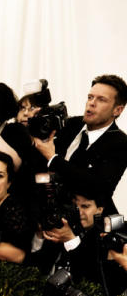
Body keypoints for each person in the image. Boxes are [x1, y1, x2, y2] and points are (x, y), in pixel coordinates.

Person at [32, 74, 127, 207]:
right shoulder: (69, 124)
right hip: (46, 208)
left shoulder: (120, 143)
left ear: (117, 110)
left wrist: (53, 158)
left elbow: (96, 187)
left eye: (101, 100)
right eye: (90, 97)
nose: (92, 103)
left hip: (86, 220)